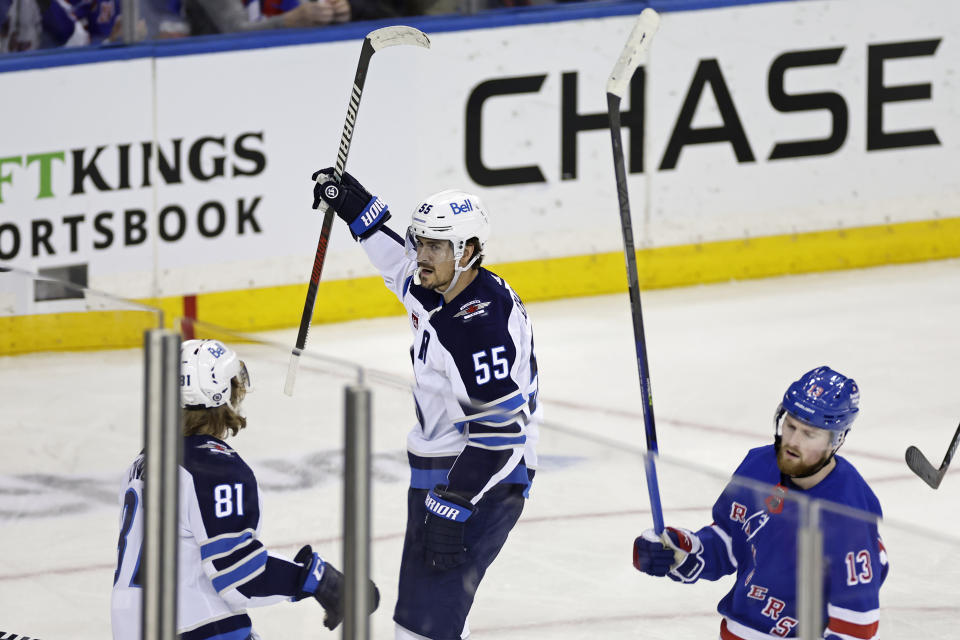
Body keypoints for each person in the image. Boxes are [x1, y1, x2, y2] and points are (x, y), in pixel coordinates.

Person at [312, 170, 542, 640]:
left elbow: (502, 434)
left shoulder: (477, 325)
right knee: (421, 623)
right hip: (442, 474)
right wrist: (356, 207)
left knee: (422, 629)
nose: (421, 256)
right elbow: (396, 265)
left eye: (436, 247)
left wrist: (453, 503)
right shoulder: (438, 285)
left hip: (482, 480)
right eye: (421, 243)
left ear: (469, 251)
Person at [111, 338, 379, 639]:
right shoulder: (213, 468)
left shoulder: (143, 462)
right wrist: (318, 579)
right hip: (196, 629)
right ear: (221, 394)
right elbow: (239, 577)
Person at [633, 366, 888, 640]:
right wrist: (676, 549)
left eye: (809, 434)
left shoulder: (848, 509)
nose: (793, 441)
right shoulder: (758, 466)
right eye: (790, 425)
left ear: (836, 440)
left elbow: (856, 625)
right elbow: (730, 543)